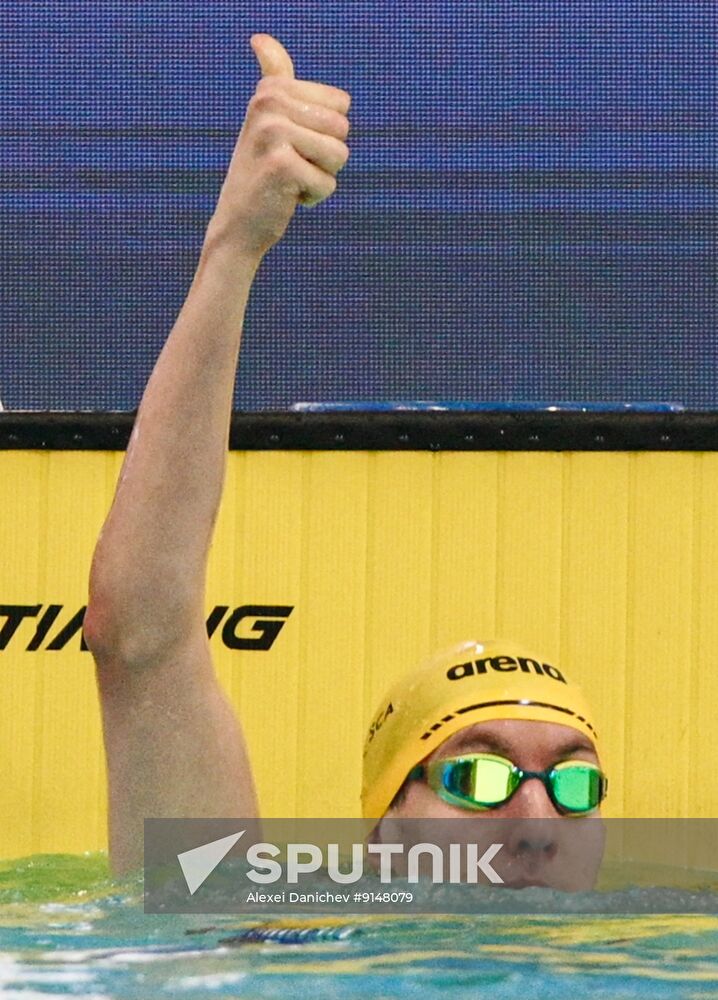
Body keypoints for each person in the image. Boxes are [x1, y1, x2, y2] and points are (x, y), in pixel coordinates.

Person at [83, 34, 607, 883]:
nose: (539, 819)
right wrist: (233, 251)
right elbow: (140, 636)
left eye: (579, 784)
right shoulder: (278, 946)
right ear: (387, 831)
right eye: (479, 777)